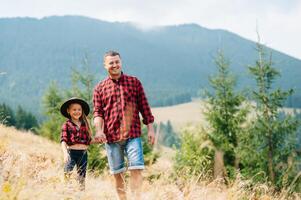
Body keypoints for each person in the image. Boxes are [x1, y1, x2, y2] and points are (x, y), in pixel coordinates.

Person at [93, 50, 155, 200]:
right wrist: (99, 131)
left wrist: (151, 129)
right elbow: (98, 113)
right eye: (111, 63)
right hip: (111, 137)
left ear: (121, 62)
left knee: (136, 168)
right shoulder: (99, 88)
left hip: (133, 135)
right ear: (105, 65)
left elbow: (144, 107)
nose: (115, 65)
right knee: (117, 174)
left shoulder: (134, 82)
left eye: (117, 62)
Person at [60, 97, 92, 191]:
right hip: (71, 153)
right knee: (67, 173)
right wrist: (65, 153)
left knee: (82, 176)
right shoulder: (66, 124)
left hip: (83, 153)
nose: (77, 111)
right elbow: (63, 141)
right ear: (68, 111)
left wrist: (99, 139)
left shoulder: (85, 124)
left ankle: (81, 194)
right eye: (74, 109)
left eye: (79, 109)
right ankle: (66, 191)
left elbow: (89, 141)